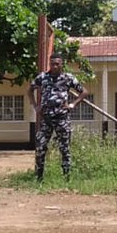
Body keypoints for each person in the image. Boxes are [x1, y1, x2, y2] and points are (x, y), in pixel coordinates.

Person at [28, 53, 86, 181]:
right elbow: (30, 90)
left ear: (61, 64)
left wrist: (72, 104)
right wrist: (35, 106)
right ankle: (39, 178)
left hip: (62, 118)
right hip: (46, 119)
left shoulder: (68, 78)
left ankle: (67, 178)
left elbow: (84, 92)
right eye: (52, 63)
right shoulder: (42, 77)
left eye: (57, 64)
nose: (54, 66)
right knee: (40, 146)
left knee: (64, 148)